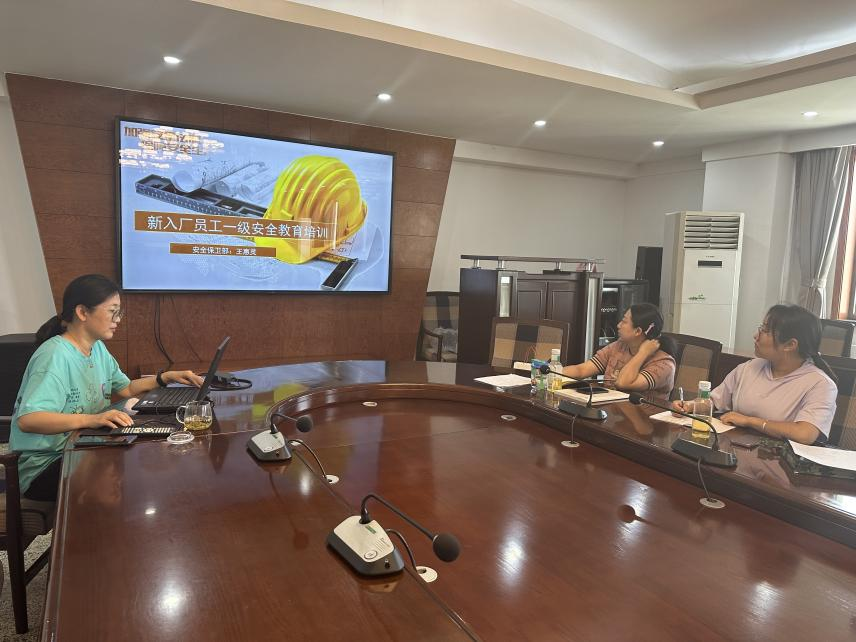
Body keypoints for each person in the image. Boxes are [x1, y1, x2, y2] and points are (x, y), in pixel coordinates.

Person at [10, 274, 204, 502]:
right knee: (131, 478)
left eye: (119, 313)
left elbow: (127, 388)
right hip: (46, 465)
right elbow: (29, 420)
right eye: (113, 311)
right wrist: (92, 419)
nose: (117, 319)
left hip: (81, 447)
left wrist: (166, 377)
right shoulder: (54, 356)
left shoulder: (98, 348)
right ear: (82, 312)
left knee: (141, 457)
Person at [672, 304, 837, 445]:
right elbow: (716, 400)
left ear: (790, 345)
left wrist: (750, 421)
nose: (756, 336)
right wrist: (690, 406)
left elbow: (805, 434)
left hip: (779, 464)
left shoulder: (820, 384)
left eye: (765, 330)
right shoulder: (750, 367)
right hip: (737, 449)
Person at [562, 303, 676, 396]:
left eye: (624, 322)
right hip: (612, 410)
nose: (618, 325)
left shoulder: (664, 363)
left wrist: (643, 353)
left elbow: (623, 383)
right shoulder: (619, 346)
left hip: (644, 415)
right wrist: (554, 373)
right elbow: (582, 370)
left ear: (638, 331)